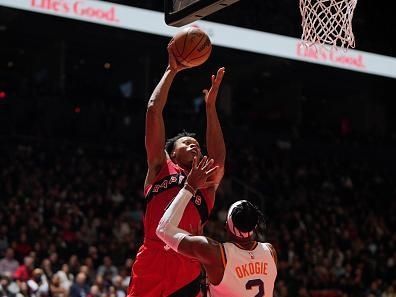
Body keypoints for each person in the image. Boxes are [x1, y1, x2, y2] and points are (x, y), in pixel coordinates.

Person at [127, 39, 226, 297]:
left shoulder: (205, 182)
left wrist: (210, 107)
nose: (195, 146)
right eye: (187, 143)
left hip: (187, 262)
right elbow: (152, 110)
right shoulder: (160, 166)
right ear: (172, 152)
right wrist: (171, 71)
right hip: (152, 257)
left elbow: (219, 157)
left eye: (197, 144)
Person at [156, 156, 277, 297]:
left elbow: (163, 229)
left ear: (226, 226)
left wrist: (190, 186)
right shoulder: (270, 251)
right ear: (255, 226)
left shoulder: (214, 253)